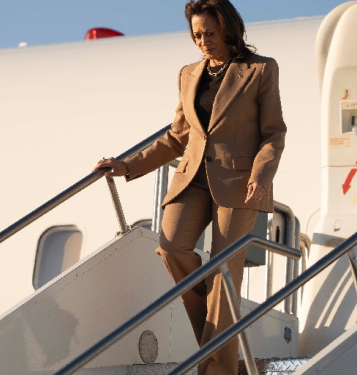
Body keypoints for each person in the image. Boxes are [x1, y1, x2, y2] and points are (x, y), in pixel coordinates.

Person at [95, 0, 286, 373]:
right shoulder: (188, 74)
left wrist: (261, 176)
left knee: (223, 272)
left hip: (240, 183)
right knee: (170, 248)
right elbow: (176, 136)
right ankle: (217, 340)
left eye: (209, 33)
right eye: (196, 35)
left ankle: (215, 368)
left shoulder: (260, 69)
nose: (203, 41)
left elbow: (273, 133)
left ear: (228, 29)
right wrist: (127, 164)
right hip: (192, 178)